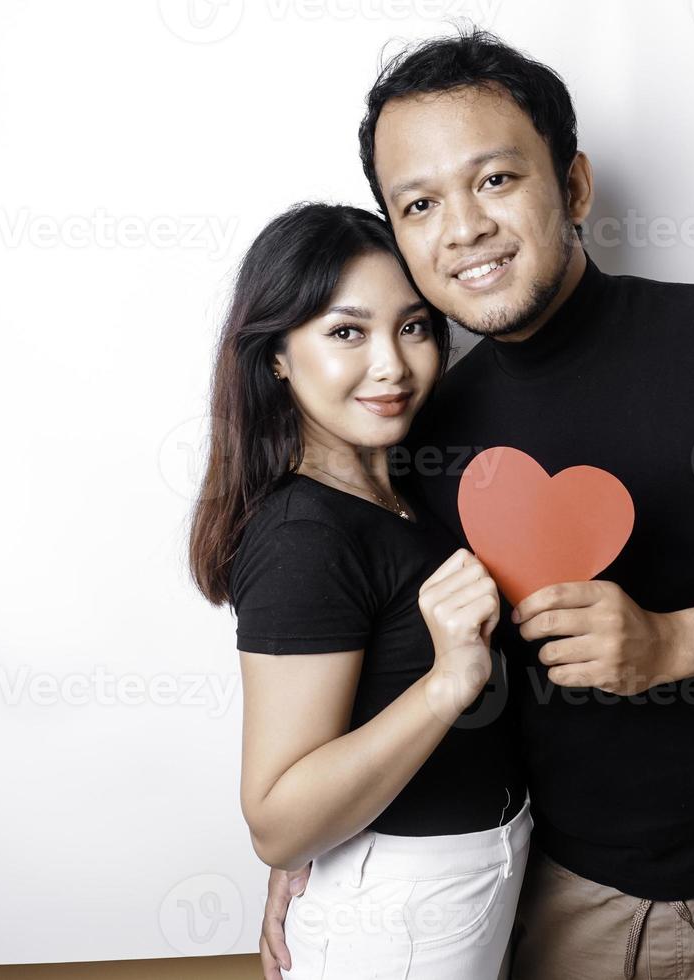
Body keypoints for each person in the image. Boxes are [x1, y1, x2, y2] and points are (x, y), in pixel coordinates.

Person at [262, 27, 694, 980]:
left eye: (496, 180)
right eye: (419, 203)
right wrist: (320, 842)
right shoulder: (423, 422)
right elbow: (404, 664)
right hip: (544, 893)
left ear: (572, 186)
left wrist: (675, 645)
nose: (464, 228)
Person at [188, 201, 531, 979]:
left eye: (412, 327)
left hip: (471, 882)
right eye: (347, 332)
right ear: (276, 354)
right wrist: (448, 683)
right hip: (402, 916)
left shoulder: (405, 488)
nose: (392, 365)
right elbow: (278, 823)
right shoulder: (303, 537)